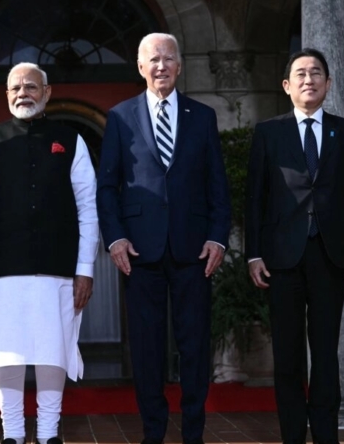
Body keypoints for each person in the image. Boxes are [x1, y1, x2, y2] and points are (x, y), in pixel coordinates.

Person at [96, 33, 231, 444]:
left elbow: (217, 185)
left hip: (194, 250)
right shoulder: (119, 117)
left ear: (179, 64)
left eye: (168, 59)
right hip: (139, 251)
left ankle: (194, 434)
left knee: (194, 347)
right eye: (153, 60)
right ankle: (152, 433)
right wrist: (116, 239)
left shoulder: (202, 116)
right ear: (140, 67)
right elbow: (107, 187)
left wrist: (218, 238)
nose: (161, 67)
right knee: (147, 350)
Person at [0, 62, 98, 444]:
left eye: (31, 87)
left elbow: (88, 204)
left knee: (53, 351)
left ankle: (50, 433)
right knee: (8, 353)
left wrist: (85, 268)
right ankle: (13, 434)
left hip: (59, 269)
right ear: (6, 95)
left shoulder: (71, 140)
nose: (23, 93)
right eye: (15, 88)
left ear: (47, 92)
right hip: (0, 269)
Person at [245, 48, 344, 444]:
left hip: (330, 255)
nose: (308, 79)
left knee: (325, 353)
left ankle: (326, 436)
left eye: (316, 73)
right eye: (300, 73)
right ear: (286, 86)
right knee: (287, 357)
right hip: (282, 257)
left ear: (328, 84)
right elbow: (255, 198)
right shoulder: (269, 132)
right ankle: (293, 437)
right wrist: (253, 253)